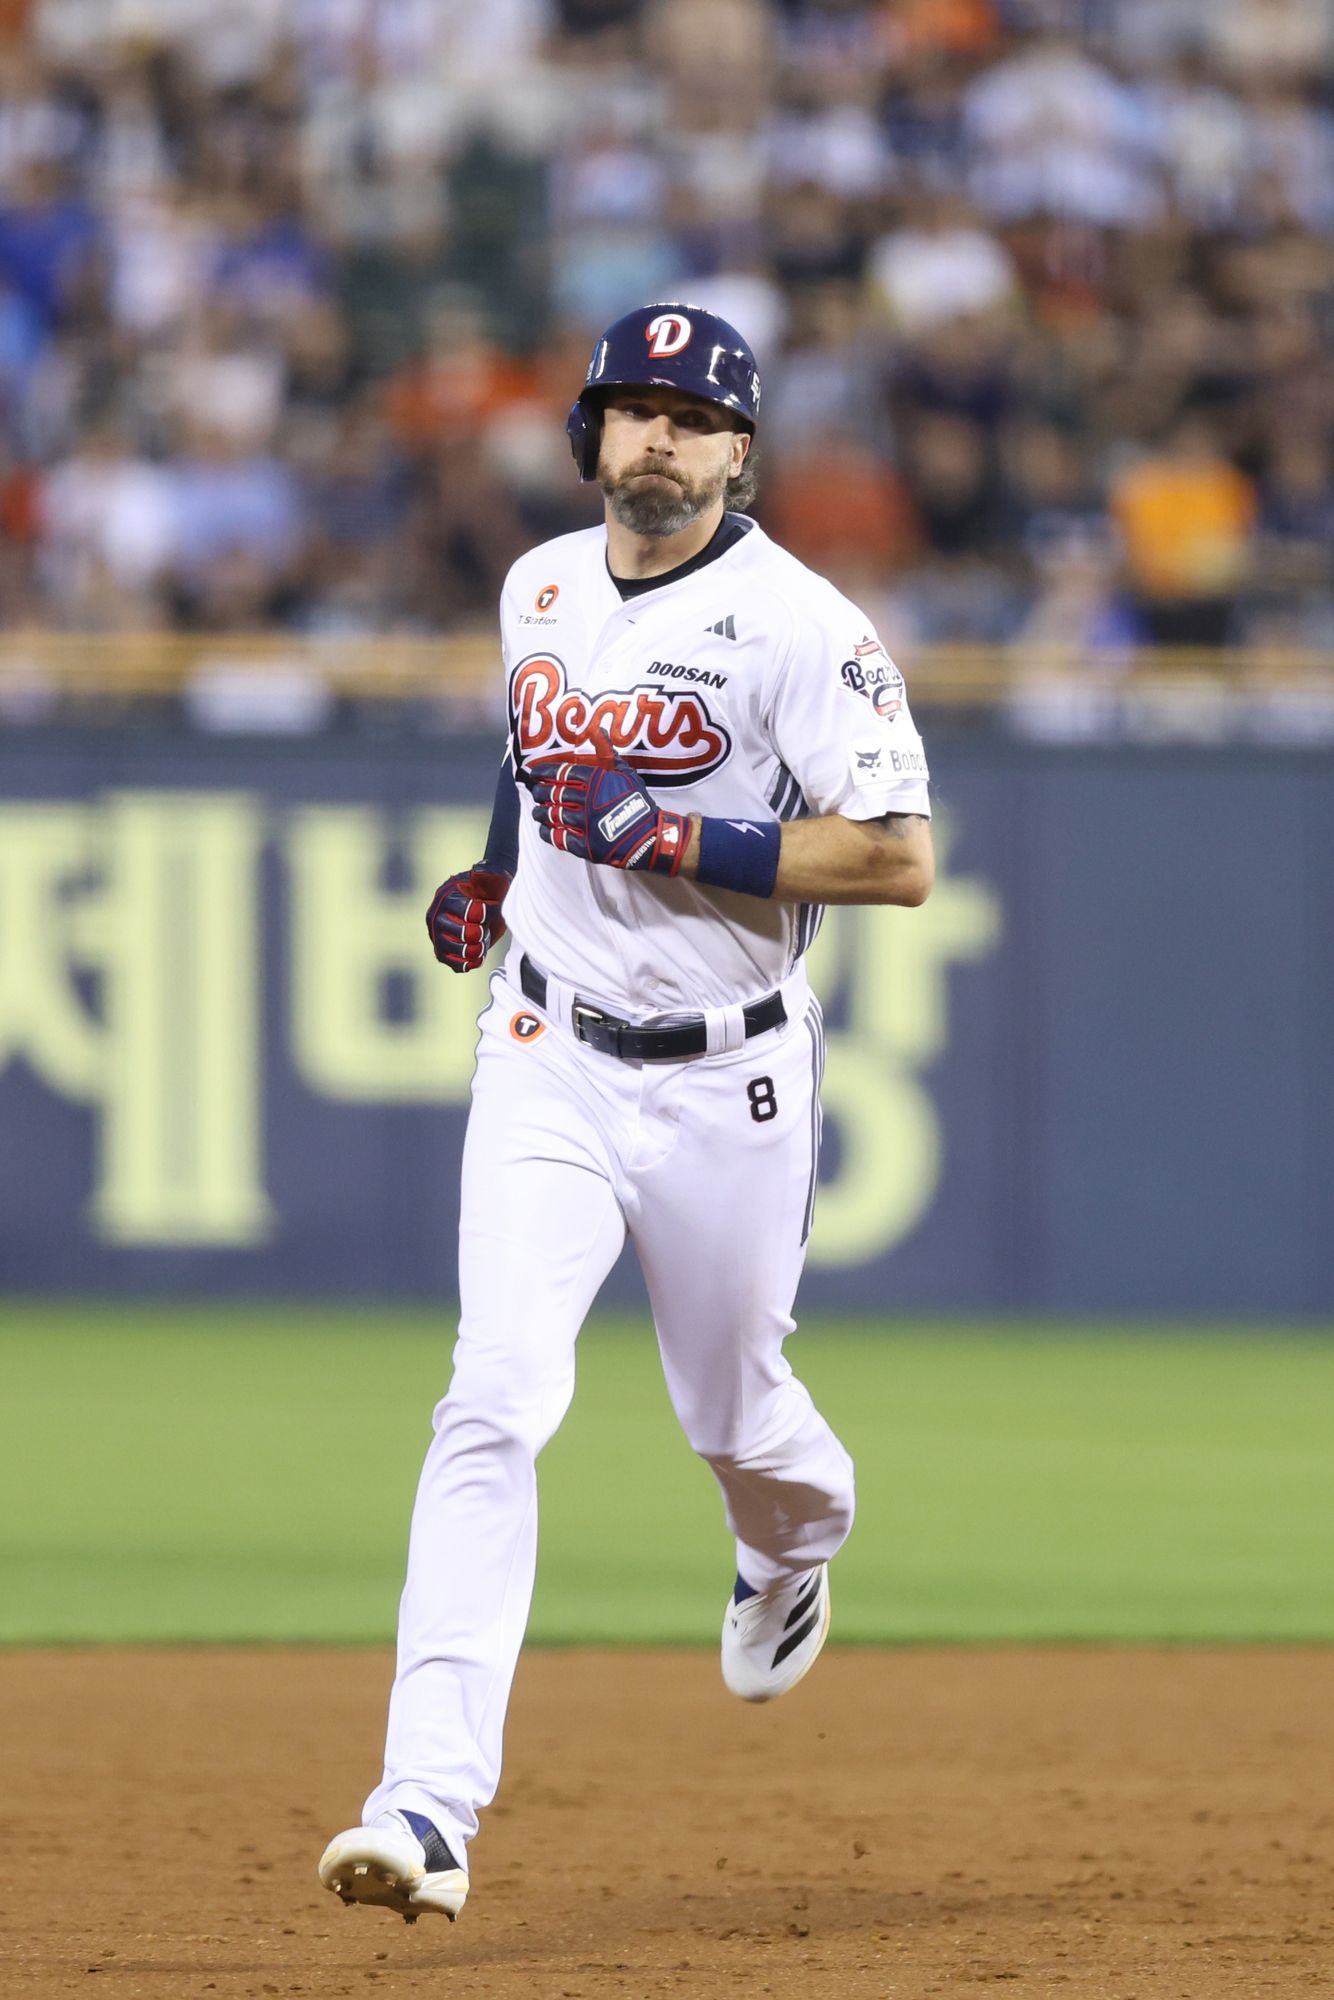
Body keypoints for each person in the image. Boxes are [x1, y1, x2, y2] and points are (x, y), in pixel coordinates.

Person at [318, 302, 935, 1925]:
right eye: (634, 407)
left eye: (694, 415)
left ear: (740, 453)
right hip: (545, 1053)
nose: (660, 435)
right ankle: (425, 1804)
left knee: (739, 1424)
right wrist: (495, 875)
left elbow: (896, 858)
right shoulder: (535, 584)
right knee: (493, 1396)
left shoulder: (802, 626)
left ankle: (789, 1549)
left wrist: (677, 837)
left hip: (729, 1073)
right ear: (590, 432)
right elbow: (535, 761)